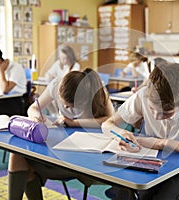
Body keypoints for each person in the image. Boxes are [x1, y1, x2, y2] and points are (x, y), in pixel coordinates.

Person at [101, 58, 179, 199]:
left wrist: (164, 143)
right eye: (151, 109)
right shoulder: (142, 95)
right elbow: (107, 124)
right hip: (148, 163)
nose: (156, 116)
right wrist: (121, 132)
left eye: (167, 112)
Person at [7, 68, 114, 200]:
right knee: (17, 155)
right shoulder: (57, 85)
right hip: (61, 147)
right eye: (65, 105)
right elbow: (33, 108)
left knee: (27, 167)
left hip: (86, 153)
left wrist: (74, 123)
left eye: (71, 106)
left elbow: (111, 121)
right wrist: (36, 117)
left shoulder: (97, 90)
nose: (67, 109)